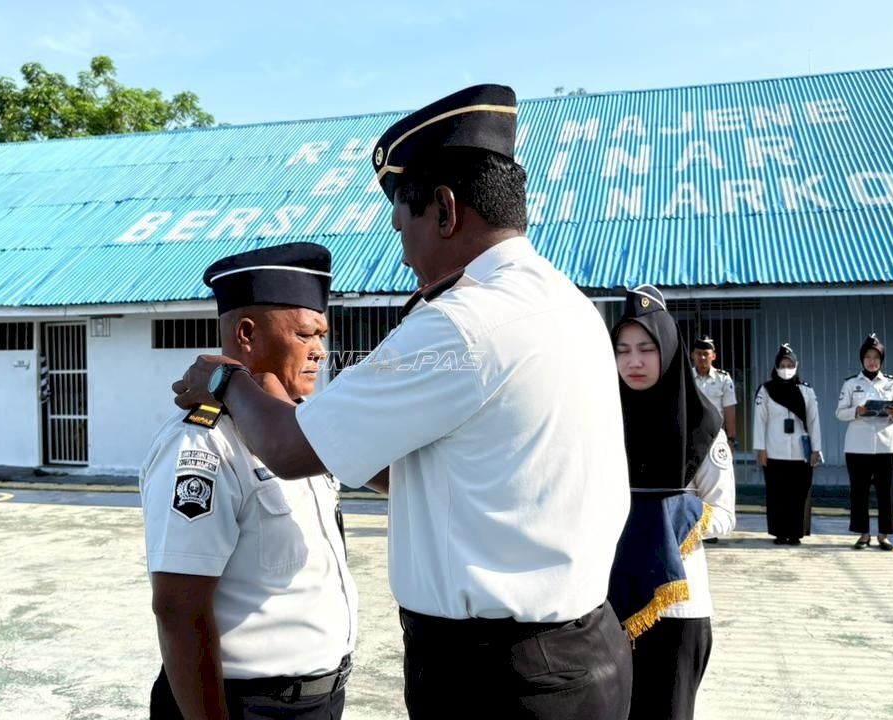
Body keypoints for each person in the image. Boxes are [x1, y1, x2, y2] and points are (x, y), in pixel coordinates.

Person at [172, 84, 633, 719]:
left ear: (444, 210)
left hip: (498, 678)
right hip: (585, 654)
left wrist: (222, 382)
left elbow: (285, 446)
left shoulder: (462, 323)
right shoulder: (568, 306)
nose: (405, 252)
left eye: (403, 226)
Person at [140, 242, 357, 720]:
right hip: (245, 705)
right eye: (305, 333)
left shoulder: (302, 430)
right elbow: (179, 609)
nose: (320, 350)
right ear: (246, 333)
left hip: (319, 700)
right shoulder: (203, 444)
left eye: (322, 334)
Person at [609, 286, 736, 720]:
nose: (634, 361)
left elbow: (724, 513)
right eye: (623, 349)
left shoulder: (704, 427)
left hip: (680, 607)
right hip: (606, 604)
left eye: (646, 348)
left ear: (668, 348)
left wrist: (671, 516)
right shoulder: (600, 421)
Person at [835, 333, 893, 551]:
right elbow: (839, 413)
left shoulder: (892, 383)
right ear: (861, 360)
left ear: (881, 360)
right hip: (858, 446)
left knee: (887, 492)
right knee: (859, 491)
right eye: (867, 357)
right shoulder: (851, 384)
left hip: (887, 445)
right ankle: (863, 534)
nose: (872, 361)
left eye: (876, 357)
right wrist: (857, 410)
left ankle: (884, 535)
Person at [752, 343, 823, 545]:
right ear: (776, 366)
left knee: (799, 494)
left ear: (796, 366)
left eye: (789, 364)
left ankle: (796, 533)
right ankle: (779, 532)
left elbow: (814, 421)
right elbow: (760, 420)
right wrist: (761, 449)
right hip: (774, 450)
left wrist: (816, 449)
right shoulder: (765, 390)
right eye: (782, 364)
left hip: (801, 451)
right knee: (777, 495)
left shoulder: (806, 390)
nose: (786, 368)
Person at [691, 335, 738, 446]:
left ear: (713, 356)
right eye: (698, 353)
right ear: (692, 355)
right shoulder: (685, 378)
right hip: (691, 436)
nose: (702, 357)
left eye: (706, 354)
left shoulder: (723, 378)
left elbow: (729, 410)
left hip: (716, 436)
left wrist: (731, 439)